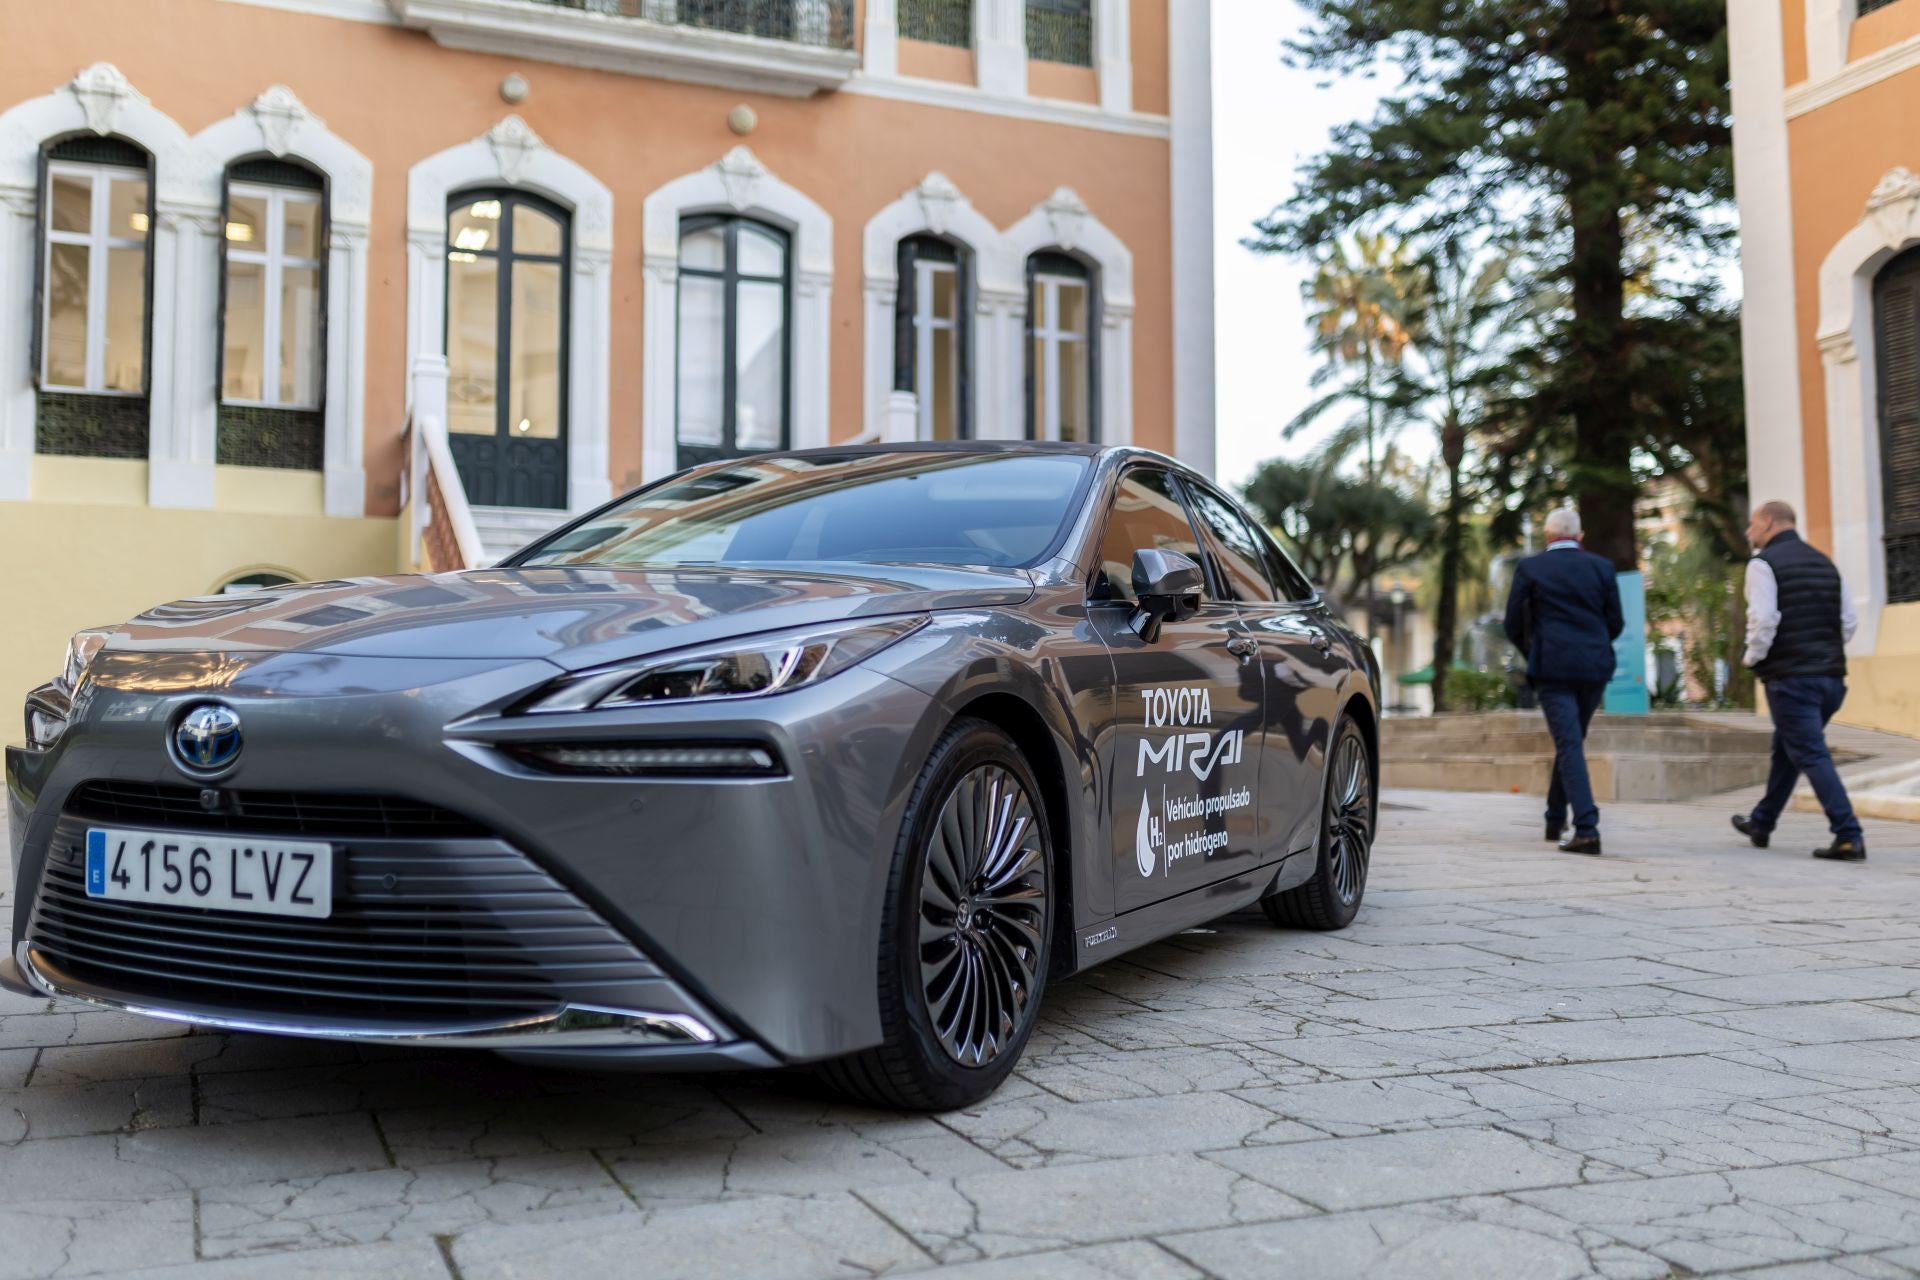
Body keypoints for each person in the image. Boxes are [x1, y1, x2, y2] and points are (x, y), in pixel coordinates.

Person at [1731, 501, 1866, 861]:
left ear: (1769, 522)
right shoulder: (1826, 563)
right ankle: (1762, 822)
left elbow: (1763, 620)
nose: (1748, 532)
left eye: (1752, 524)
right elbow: (1848, 622)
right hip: (1832, 678)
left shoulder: (1762, 565)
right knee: (1787, 749)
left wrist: (1751, 657)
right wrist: (1822, 651)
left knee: (1809, 753)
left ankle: (1848, 834)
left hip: (1792, 679)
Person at [1503, 507, 1624, 855]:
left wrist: (1535, 650)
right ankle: (1555, 817)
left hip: (1552, 668)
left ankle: (1586, 828)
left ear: (1547, 536)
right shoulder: (1601, 567)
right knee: (1571, 739)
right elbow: (1614, 622)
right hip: (1594, 667)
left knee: (1569, 741)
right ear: (1580, 536)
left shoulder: (1531, 567)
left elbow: (1512, 622)